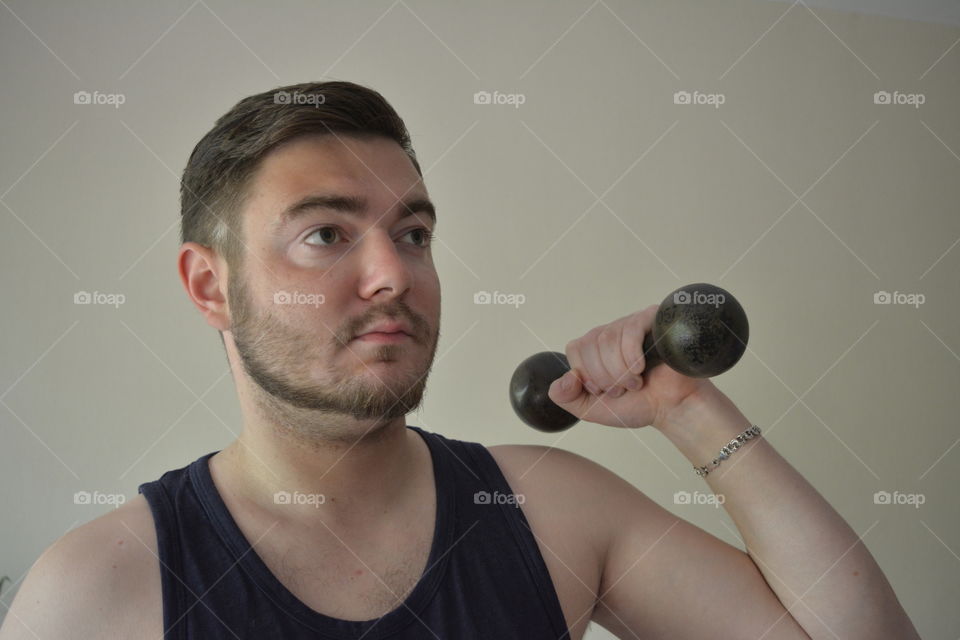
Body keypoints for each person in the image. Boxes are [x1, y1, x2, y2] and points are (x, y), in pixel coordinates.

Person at [0, 81, 919, 640]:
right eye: (326, 233)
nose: (393, 273)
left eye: (413, 233)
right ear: (210, 287)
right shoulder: (100, 588)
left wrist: (689, 408)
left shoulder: (546, 510)